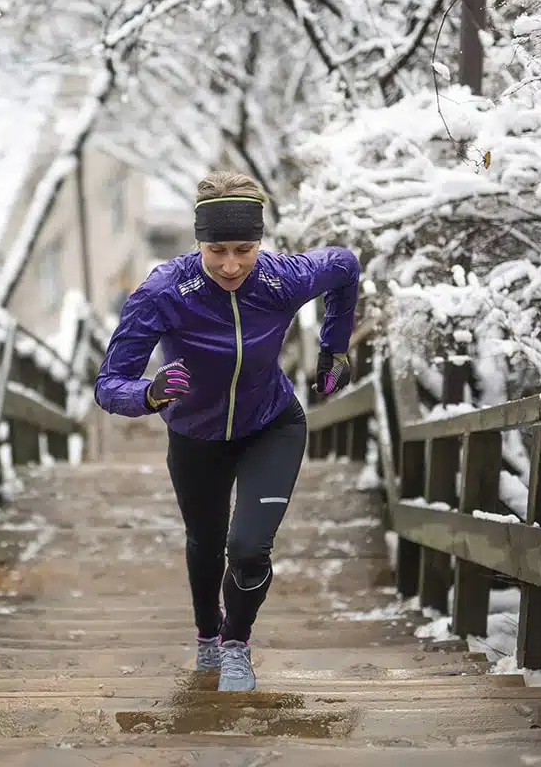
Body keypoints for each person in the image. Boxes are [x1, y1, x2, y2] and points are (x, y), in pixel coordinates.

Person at [93, 170, 359, 692]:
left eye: (245, 248)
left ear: (261, 242)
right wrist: (147, 394)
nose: (231, 265)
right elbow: (108, 383)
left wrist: (335, 347)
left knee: (248, 547)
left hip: (272, 424)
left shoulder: (283, 278)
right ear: (199, 242)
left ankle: (237, 644)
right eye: (217, 249)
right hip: (196, 436)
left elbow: (345, 266)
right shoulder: (164, 291)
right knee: (206, 542)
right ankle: (207, 637)